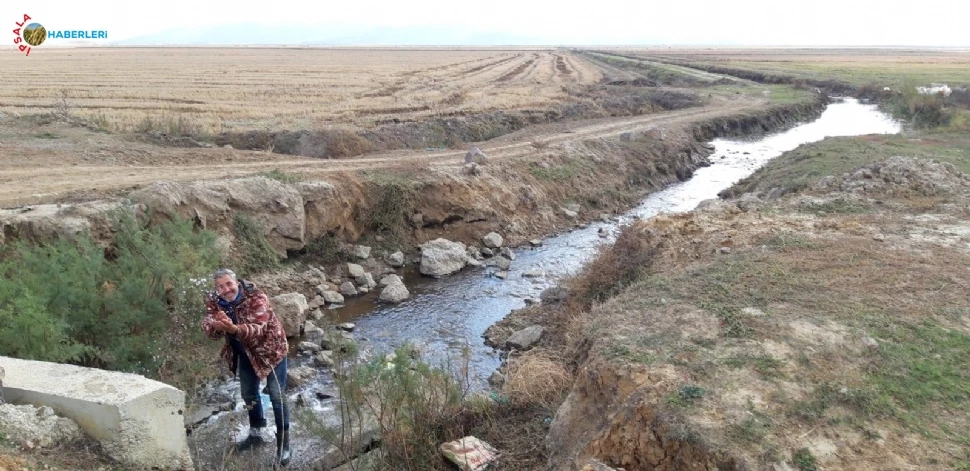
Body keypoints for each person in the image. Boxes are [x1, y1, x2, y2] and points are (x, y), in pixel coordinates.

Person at [202, 268, 292, 466]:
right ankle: (256, 432)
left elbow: (258, 329)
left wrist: (232, 329)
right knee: (249, 394)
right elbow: (208, 323)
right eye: (220, 286)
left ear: (237, 283)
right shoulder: (214, 300)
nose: (225, 289)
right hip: (244, 353)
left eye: (228, 284)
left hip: (271, 352)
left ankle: (284, 444)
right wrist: (215, 326)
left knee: (277, 396)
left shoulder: (256, 297)